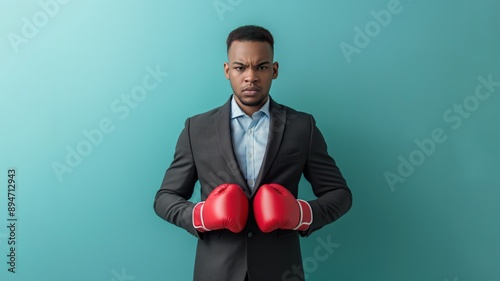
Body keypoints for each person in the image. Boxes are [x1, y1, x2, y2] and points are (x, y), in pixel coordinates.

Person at [154, 25, 352, 281]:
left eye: (261, 67)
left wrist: (302, 214)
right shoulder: (197, 128)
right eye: (240, 67)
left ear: (274, 70)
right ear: (227, 71)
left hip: (281, 271)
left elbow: (340, 194)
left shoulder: (302, 127)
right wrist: (200, 215)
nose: (251, 77)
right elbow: (165, 197)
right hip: (216, 272)